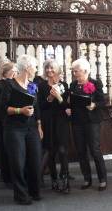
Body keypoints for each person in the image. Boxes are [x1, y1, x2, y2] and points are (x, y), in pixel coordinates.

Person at [0, 54, 43, 205]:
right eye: (35, 67)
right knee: (18, 162)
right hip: (14, 129)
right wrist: (20, 111)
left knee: (35, 160)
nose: (37, 69)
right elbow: (2, 109)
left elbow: (36, 108)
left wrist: (39, 125)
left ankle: (34, 191)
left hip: (31, 128)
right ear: (27, 68)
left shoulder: (33, 85)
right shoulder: (9, 85)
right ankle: (21, 195)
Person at [67, 58, 107, 191]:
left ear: (85, 71)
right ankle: (87, 178)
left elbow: (103, 101)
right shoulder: (72, 85)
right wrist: (68, 108)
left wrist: (94, 105)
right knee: (81, 151)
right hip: (77, 122)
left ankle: (102, 179)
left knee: (95, 150)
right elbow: (69, 102)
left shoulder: (95, 83)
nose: (74, 73)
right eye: (73, 71)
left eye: (76, 71)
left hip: (92, 121)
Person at [38, 59, 70, 193]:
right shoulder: (41, 86)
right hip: (48, 121)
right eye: (47, 68)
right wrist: (49, 99)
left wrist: (58, 97)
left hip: (61, 121)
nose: (49, 70)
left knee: (62, 151)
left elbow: (66, 107)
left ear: (57, 70)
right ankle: (54, 179)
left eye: (51, 68)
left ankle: (65, 179)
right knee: (50, 152)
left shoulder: (64, 85)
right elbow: (40, 106)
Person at [0, 62, 18, 185]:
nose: (16, 72)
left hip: (10, 119)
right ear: (7, 71)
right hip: (3, 120)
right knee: (5, 149)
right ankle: (7, 178)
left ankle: (11, 176)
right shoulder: (1, 84)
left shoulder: (11, 83)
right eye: (14, 69)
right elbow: (0, 105)